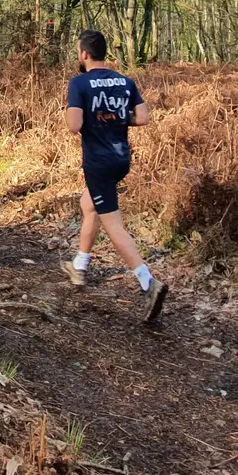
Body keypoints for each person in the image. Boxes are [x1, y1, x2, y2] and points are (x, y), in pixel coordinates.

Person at [63, 30, 166, 323]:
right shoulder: (125, 81)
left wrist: (87, 116)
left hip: (98, 161)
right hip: (121, 158)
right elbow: (143, 117)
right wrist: (117, 118)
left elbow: (74, 125)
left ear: (84, 54)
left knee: (113, 224)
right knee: (89, 205)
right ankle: (80, 266)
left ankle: (148, 282)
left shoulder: (79, 83)